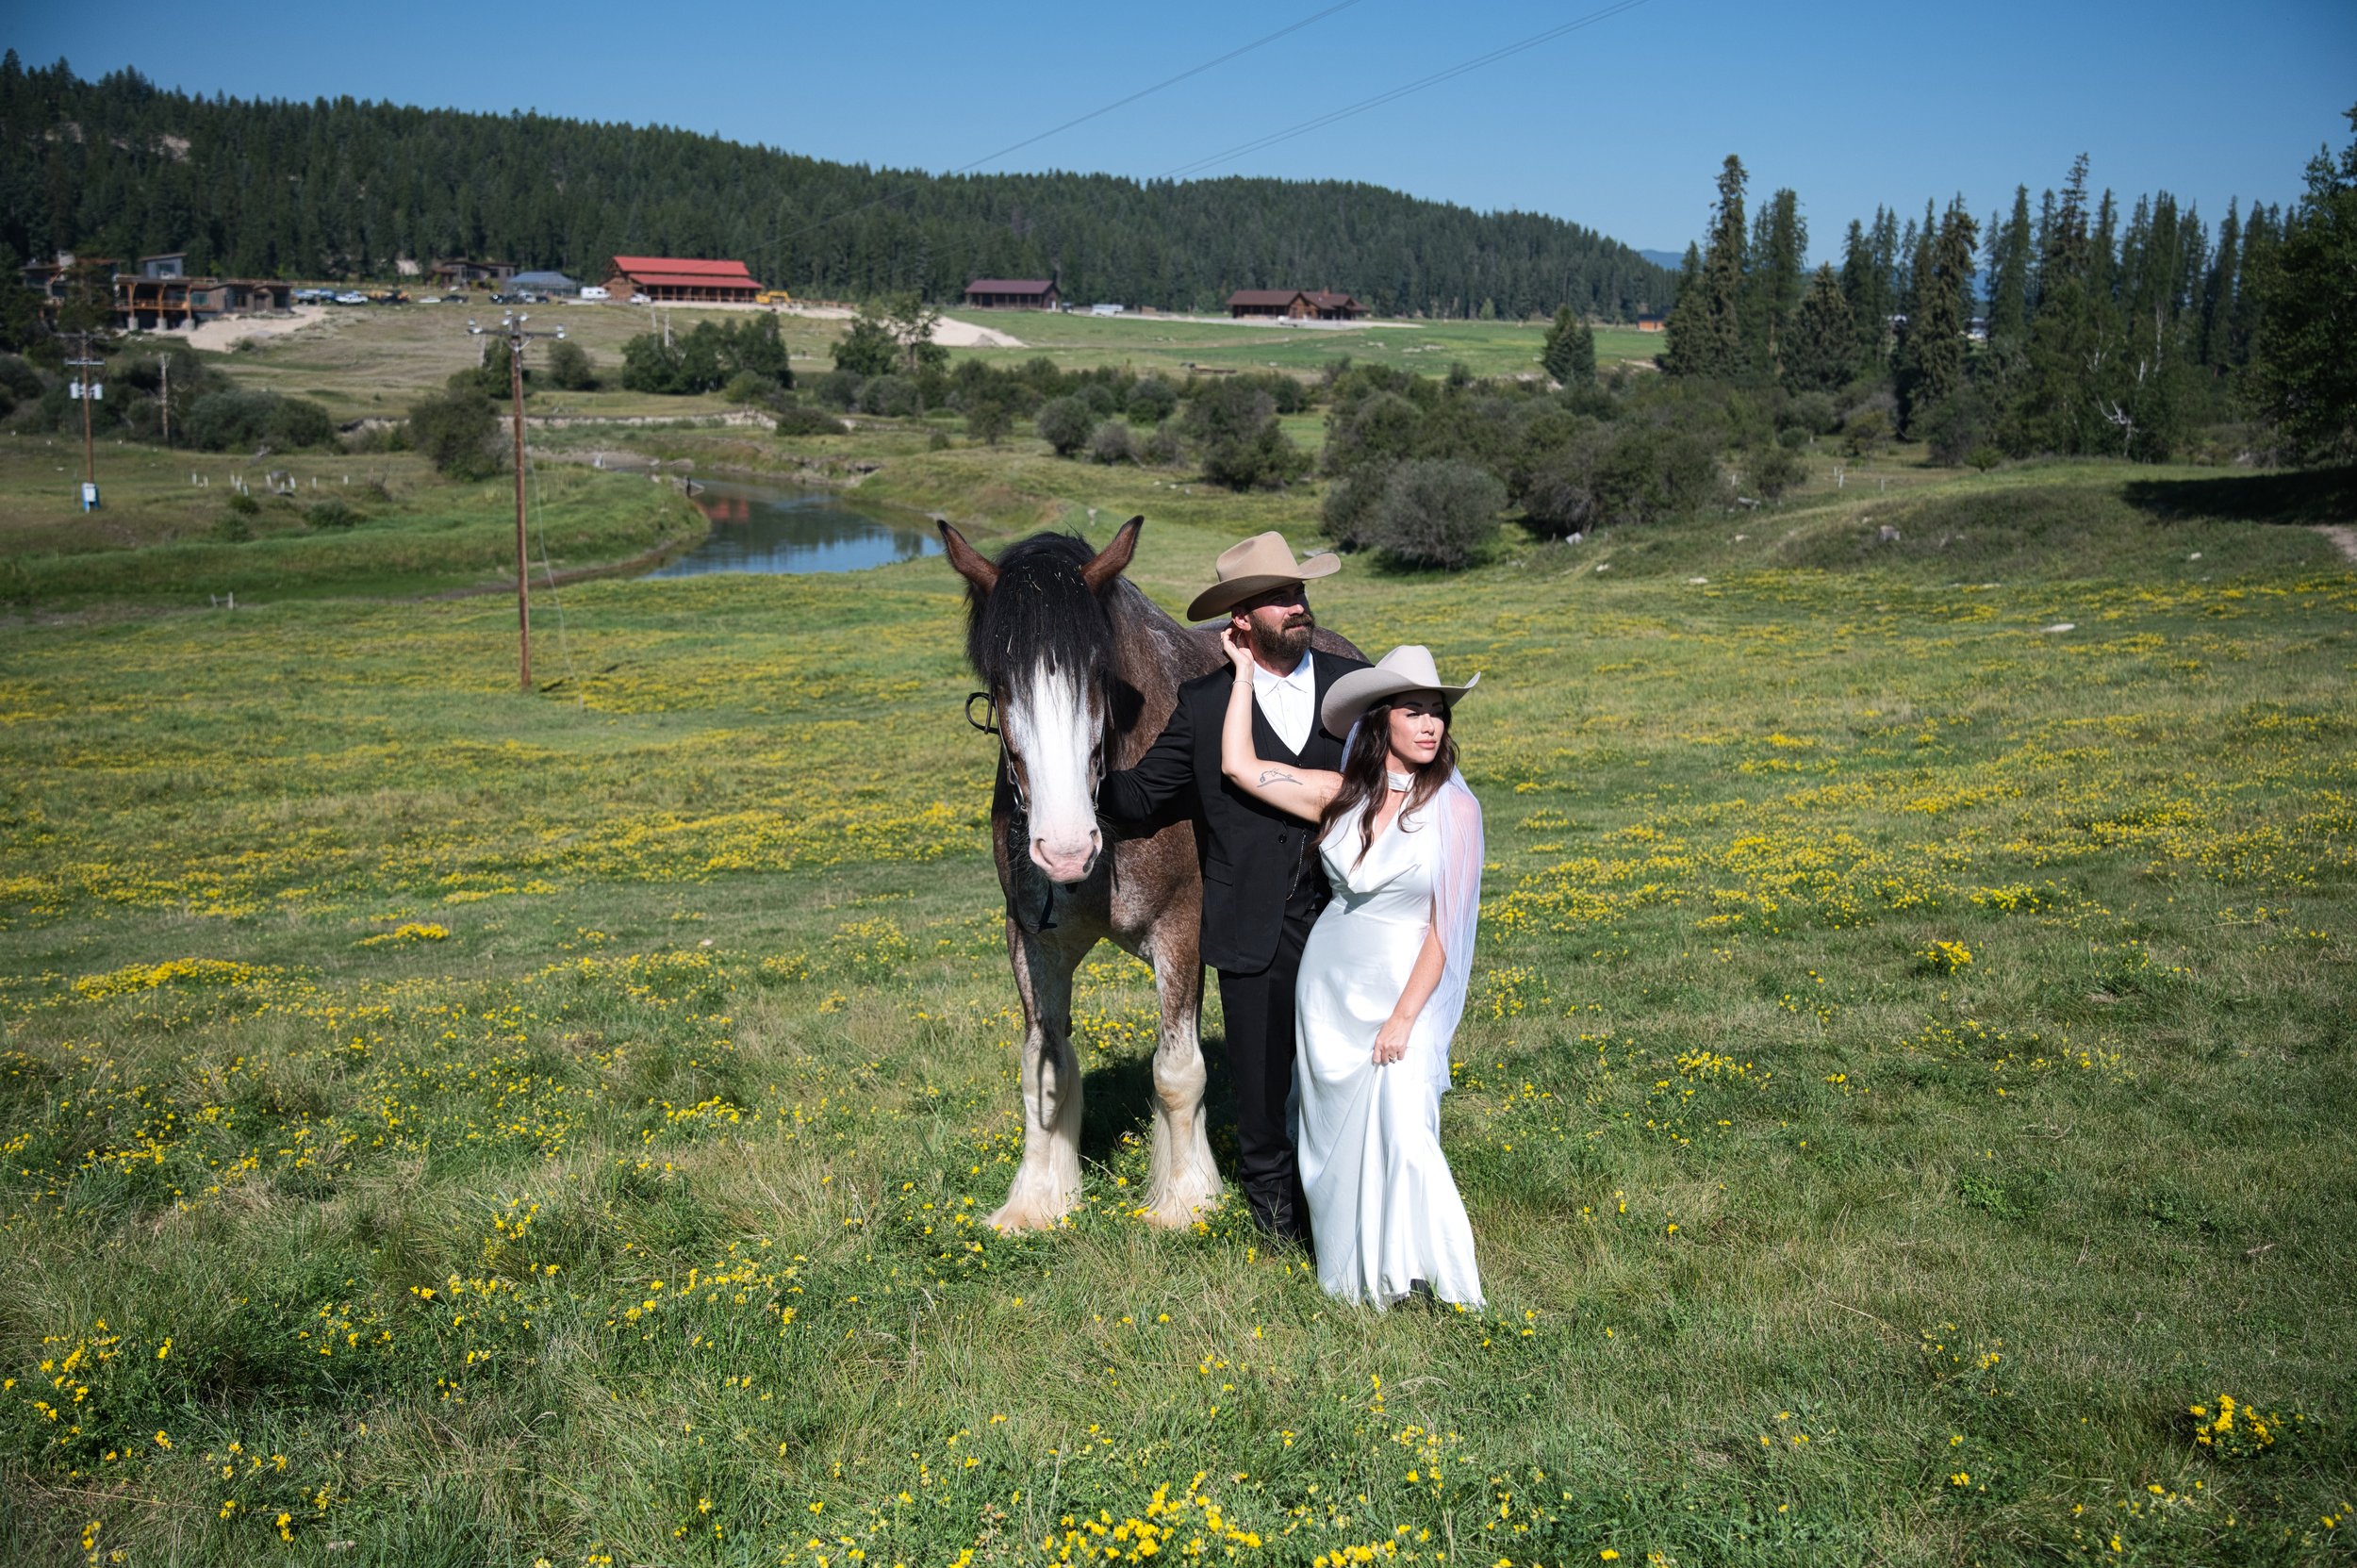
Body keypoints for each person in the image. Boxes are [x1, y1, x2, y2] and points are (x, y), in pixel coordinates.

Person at [1097, 532, 1369, 1244]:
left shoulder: (1350, 682)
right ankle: (1278, 1228)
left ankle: (1350, 1208)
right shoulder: (1205, 703)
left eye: (1299, 592)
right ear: (1240, 621)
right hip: (1250, 923)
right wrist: (1066, 767)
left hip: (1347, 915)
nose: (1297, 605)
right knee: (1259, 1083)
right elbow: (1140, 795)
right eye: (1279, 597)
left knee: (1346, 1073)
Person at [1216, 638, 1486, 1310]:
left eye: (1439, 713)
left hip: (1402, 989)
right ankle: (1350, 1276)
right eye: (1416, 711)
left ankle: (1428, 1277)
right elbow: (1239, 764)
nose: (1431, 725)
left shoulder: (1455, 810)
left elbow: (1443, 930)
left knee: (1404, 1125)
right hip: (1329, 988)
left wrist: (1403, 1017)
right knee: (1332, 1140)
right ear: (1380, 720)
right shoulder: (1342, 796)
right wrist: (1244, 673)